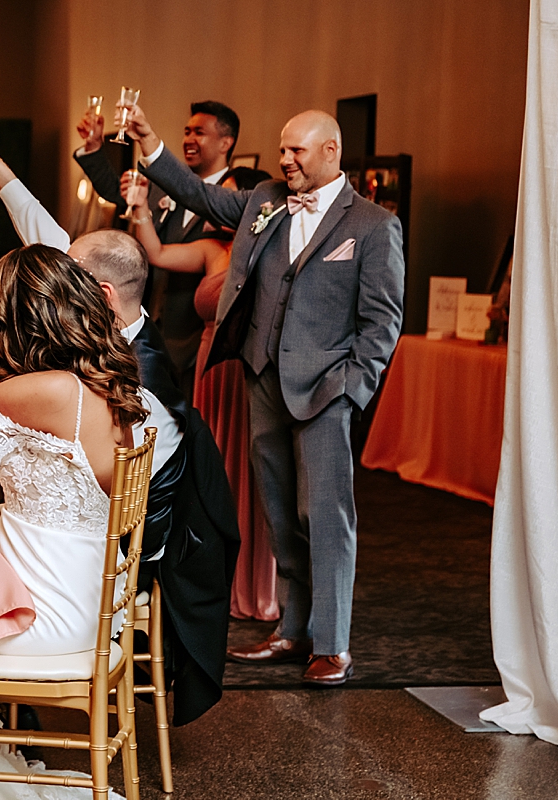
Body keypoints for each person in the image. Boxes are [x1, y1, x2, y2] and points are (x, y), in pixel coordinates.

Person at [0, 126, 240, 723]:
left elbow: (115, 514)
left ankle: (5, 705)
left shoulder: (138, 381)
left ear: (99, 295)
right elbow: (59, 252)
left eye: (69, 284)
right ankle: (2, 718)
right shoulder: (110, 340)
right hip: (93, 530)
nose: (57, 291)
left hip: (137, 560)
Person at [130, 106, 405, 685]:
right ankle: (291, 630)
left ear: (330, 152)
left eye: (296, 152)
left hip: (328, 392)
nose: (284, 160)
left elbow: (382, 322)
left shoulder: (374, 226)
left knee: (326, 518)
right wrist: (153, 146)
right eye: (282, 150)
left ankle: (332, 645)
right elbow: (202, 198)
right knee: (281, 515)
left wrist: (352, 389)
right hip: (263, 381)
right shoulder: (265, 200)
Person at [0, 238, 147, 797]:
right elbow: (69, 501)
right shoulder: (101, 387)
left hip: (43, 614)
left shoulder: (50, 390)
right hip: (83, 603)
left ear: (22, 320)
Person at [127, 167, 281, 621]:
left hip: (249, 367)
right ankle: (211, 573)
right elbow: (153, 252)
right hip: (210, 370)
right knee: (213, 470)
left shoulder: (274, 252)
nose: (218, 206)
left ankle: (256, 584)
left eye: (228, 199)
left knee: (251, 472)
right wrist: (139, 208)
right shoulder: (212, 249)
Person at [76, 100, 241, 393]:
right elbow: (118, 193)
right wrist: (94, 148)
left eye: (199, 132)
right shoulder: (165, 187)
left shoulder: (232, 199)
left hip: (194, 337)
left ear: (226, 142)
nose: (189, 139)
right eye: (187, 131)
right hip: (152, 328)